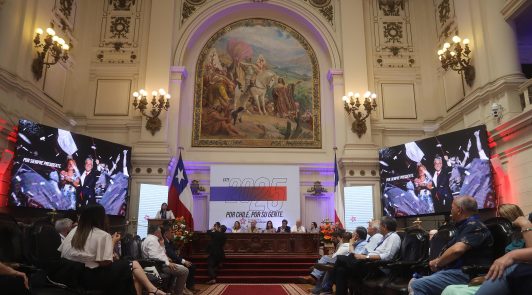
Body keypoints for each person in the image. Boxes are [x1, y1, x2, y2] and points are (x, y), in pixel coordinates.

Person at [58, 204, 168, 295]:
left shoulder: (74, 231)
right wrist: (113, 242)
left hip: (69, 276)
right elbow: (105, 262)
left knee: (132, 274)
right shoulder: (102, 235)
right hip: (90, 278)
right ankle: (153, 289)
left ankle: (152, 290)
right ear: (101, 218)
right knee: (131, 265)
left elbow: (64, 253)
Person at [410, 196, 494, 295]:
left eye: (452, 208)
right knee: (414, 280)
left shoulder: (475, 225)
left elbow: (457, 250)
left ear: (459, 210)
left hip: (467, 273)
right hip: (455, 271)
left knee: (417, 285)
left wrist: (438, 262)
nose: (451, 211)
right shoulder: (464, 226)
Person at [441, 204, 528, 295]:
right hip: (497, 275)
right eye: (496, 216)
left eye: (501, 217)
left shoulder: (525, 236)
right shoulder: (502, 236)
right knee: (449, 289)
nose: (497, 221)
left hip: (511, 278)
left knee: (457, 292)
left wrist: (525, 225)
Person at [327, 216, 401, 295]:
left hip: (376, 267)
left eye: (380, 226)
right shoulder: (385, 237)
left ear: (384, 227)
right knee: (340, 270)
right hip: (368, 263)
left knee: (340, 258)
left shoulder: (394, 237)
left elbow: (388, 256)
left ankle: (329, 283)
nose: (379, 228)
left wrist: (366, 257)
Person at [141, 225, 190, 295]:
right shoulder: (152, 240)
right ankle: (178, 293)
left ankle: (171, 290)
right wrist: (168, 263)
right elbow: (154, 257)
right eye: (160, 232)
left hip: (159, 264)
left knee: (181, 269)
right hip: (158, 267)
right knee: (185, 271)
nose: (161, 234)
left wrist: (162, 245)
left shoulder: (151, 239)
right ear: (157, 232)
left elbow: (160, 253)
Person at [161, 225, 198, 294]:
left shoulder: (169, 240)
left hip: (173, 260)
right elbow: (171, 254)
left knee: (192, 265)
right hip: (170, 261)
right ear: (166, 233)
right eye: (171, 232)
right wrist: (183, 261)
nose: (173, 234)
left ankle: (187, 287)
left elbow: (175, 251)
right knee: (189, 267)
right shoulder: (163, 241)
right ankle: (182, 289)